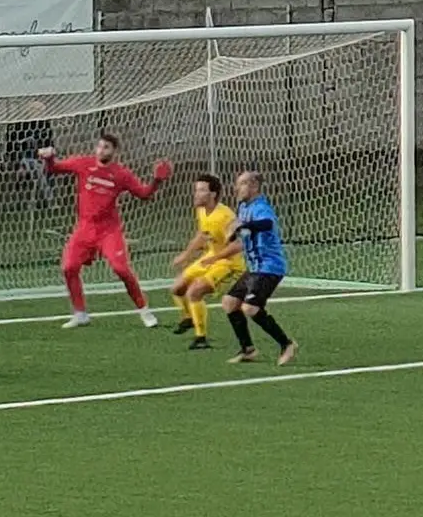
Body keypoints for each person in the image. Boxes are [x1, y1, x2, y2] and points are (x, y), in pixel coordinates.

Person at [40, 132, 172, 329]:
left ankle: (144, 310)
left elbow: (143, 194)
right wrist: (49, 157)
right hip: (85, 228)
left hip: (108, 231)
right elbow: (54, 169)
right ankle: (80, 313)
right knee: (68, 268)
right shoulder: (83, 163)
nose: (101, 150)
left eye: (106, 147)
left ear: (114, 151)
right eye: (100, 146)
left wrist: (156, 181)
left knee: (121, 269)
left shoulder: (121, 174)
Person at [216, 170, 297, 366]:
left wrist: (243, 226)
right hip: (255, 268)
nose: (237, 188)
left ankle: (287, 344)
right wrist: (235, 234)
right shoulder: (244, 206)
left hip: (269, 267)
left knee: (250, 308)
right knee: (229, 302)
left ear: (253, 186)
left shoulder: (261, 206)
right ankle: (248, 350)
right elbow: (246, 230)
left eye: (242, 184)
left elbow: (266, 224)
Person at [169, 174, 243, 350]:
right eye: (196, 190)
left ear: (213, 194)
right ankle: (189, 318)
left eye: (201, 190)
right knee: (177, 288)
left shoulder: (226, 216)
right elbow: (202, 235)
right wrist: (186, 255)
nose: (196, 194)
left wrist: (215, 258)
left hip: (228, 263)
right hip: (210, 257)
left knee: (194, 291)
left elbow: (239, 245)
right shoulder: (201, 210)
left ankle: (200, 338)